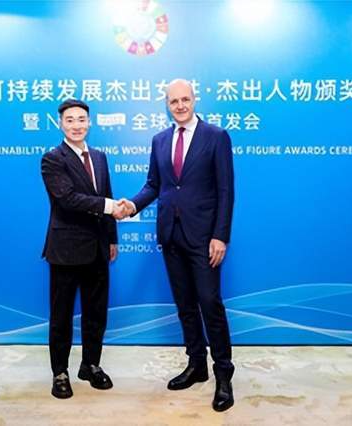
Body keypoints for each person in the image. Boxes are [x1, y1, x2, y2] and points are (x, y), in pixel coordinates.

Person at [119, 79, 235, 411]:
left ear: (194, 100)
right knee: (185, 305)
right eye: (174, 101)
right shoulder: (160, 140)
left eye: (185, 99)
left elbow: (226, 190)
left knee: (210, 304)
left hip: (204, 238)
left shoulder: (216, 136)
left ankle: (223, 375)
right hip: (171, 235)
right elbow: (154, 185)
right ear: (167, 105)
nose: (180, 105)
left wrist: (220, 235)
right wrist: (132, 205)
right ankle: (196, 365)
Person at [41, 99, 124, 399]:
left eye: (81, 119)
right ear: (60, 124)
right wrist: (110, 207)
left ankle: (90, 364)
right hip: (66, 249)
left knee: (96, 313)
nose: (76, 125)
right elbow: (67, 199)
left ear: (90, 123)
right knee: (61, 315)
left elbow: (107, 194)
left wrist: (112, 238)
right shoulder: (53, 159)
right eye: (70, 120)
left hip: (98, 247)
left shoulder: (99, 157)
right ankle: (60, 372)